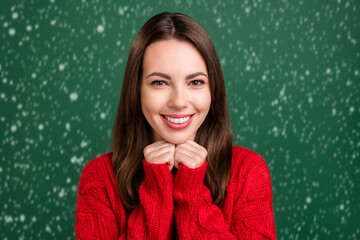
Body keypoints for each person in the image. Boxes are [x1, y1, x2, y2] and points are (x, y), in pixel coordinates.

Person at [75, 12, 276, 239]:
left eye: (196, 82)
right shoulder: (99, 179)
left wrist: (191, 194)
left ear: (213, 91)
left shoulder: (248, 172)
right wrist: (155, 193)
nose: (179, 102)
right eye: (159, 82)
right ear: (137, 90)